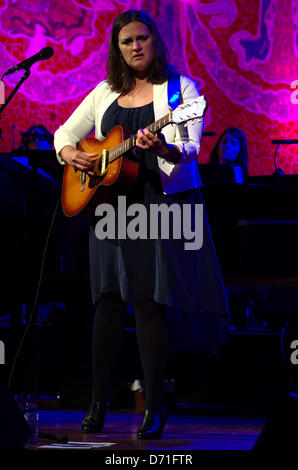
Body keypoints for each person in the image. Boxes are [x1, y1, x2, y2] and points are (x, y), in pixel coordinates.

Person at [54, 9, 229, 439]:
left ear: (155, 41)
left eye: (142, 39)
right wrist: (69, 155)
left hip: (158, 204)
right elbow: (64, 133)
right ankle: (98, 402)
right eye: (126, 41)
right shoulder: (102, 92)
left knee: (151, 303)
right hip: (109, 207)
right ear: (117, 48)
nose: (135, 46)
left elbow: (189, 148)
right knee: (108, 304)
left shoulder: (181, 90)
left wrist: (166, 149)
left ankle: (154, 407)